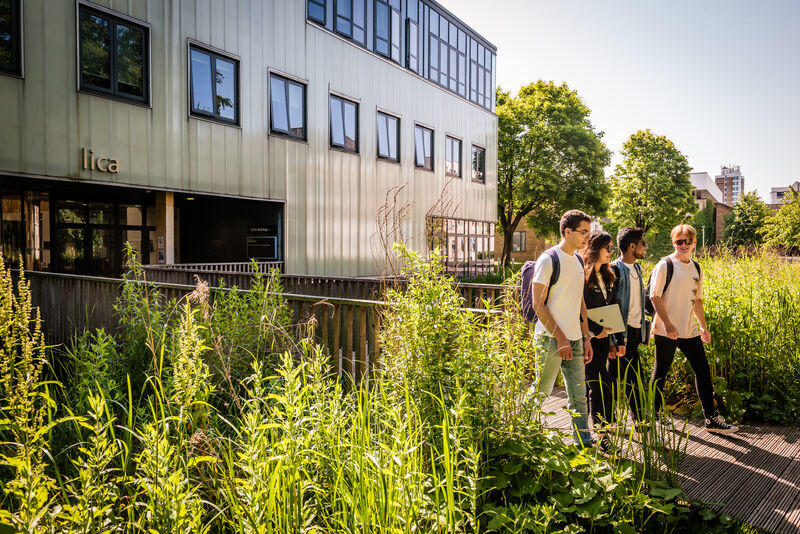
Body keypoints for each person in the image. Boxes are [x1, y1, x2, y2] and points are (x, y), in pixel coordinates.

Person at [649, 224, 738, 434]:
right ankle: (652, 417)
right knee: (661, 371)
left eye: (688, 241)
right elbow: (654, 296)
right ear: (674, 242)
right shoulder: (665, 265)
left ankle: (711, 419)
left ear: (694, 243)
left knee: (703, 370)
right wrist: (668, 324)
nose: (684, 245)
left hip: (689, 330)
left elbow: (698, 301)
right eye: (679, 241)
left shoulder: (696, 268)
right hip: (666, 329)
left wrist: (703, 327)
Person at [529, 210, 594, 449]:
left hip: (575, 340)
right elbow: (538, 303)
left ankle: (583, 444)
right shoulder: (549, 259)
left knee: (579, 395)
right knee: (541, 391)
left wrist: (586, 337)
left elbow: (579, 302)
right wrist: (561, 337)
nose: (587, 237)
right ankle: (521, 433)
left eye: (589, 232)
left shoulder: (578, 260)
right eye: (583, 232)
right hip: (550, 340)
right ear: (567, 232)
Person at [580, 231, 619, 452]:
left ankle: (593, 433)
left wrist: (611, 338)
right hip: (588, 340)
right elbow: (581, 310)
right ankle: (601, 435)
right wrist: (595, 331)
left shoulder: (609, 275)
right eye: (608, 248)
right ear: (596, 249)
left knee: (599, 386)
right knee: (598, 386)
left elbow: (609, 309)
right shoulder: (583, 277)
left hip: (605, 341)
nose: (611, 253)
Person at [609, 227, 648, 427]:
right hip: (619, 333)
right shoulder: (615, 269)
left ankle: (612, 422)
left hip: (634, 330)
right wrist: (613, 340)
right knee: (634, 377)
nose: (645, 247)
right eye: (643, 243)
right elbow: (610, 304)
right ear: (632, 246)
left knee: (615, 378)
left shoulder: (637, 269)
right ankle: (640, 423)